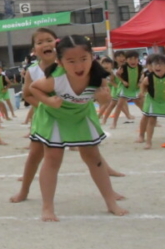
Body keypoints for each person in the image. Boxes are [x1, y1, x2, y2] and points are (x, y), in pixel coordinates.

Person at [29, 35, 127, 222]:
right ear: (60, 62)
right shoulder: (55, 79)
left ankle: (110, 202)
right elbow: (34, 88)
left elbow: (104, 98)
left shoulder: (98, 77)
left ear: (92, 57)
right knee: (53, 158)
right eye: (71, 61)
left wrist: (104, 100)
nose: (78, 66)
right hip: (54, 116)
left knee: (94, 158)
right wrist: (49, 100)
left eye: (83, 59)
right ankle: (47, 207)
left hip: (80, 115)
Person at [10, 28, 59, 203]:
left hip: (70, 116)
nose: (45, 44)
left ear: (57, 42)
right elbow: (27, 95)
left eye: (49, 40)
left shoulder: (67, 63)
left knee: (90, 153)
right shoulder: (33, 71)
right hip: (45, 117)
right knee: (34, 155)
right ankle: (24, 191)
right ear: (34, 50)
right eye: (39, 42)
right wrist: (47, 105)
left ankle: (108, 188)